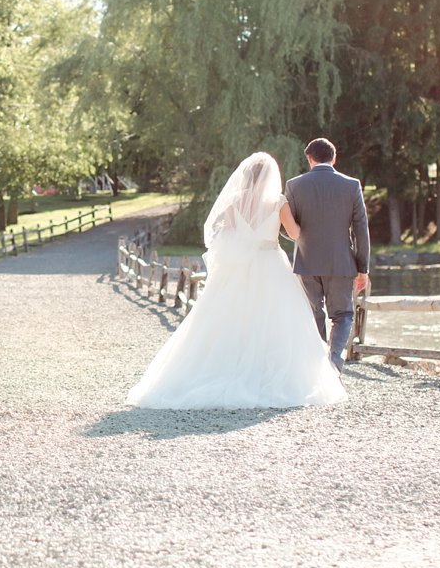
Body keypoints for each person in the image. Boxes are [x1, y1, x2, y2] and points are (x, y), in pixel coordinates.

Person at [127, 152, 346, 409]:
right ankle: (266, 372)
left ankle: (225, 367)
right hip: (270, 264)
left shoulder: (234, 202)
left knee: (232, 318)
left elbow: (227, 236)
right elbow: (296, 233)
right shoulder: (278, 202)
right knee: (274, 319)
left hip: (239, 267)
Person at [283, 138, 370, 372]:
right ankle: (334, 360)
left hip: (306, 262)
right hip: (341, 263)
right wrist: (363, 268)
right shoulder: (351, 185)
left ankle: (317, 367)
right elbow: (361, 228)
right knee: (342, 315)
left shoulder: (294, 185)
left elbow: (287, 226)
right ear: (334, 157)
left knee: (314, 314)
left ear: (309, 159)